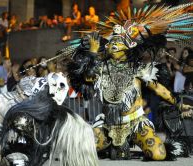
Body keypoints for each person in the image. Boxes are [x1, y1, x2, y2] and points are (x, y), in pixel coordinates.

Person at [64, 3, 193, 161]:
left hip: (135, 122)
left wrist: (178, 103)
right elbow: (88, 78)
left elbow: (159, 89)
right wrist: (92, 52)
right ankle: (113, 146)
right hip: (108, 123)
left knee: (158, 154)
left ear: (128, 47)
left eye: (118, 42)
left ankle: (128, 143)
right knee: (82, 150)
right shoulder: (100, 67)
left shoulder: (138, 68)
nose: (113, 44)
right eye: (111, 42)